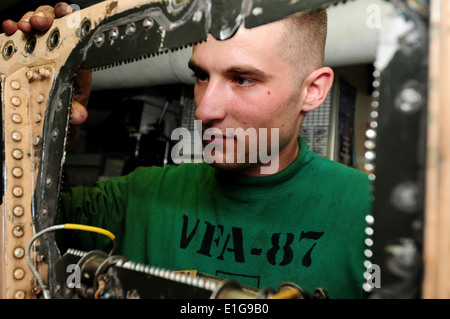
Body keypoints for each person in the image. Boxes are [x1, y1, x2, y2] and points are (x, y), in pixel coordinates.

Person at [2, 2, 372, 298]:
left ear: (313, 91)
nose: (204, 110)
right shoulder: (138, 195)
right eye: (201, 76)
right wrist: (38, 125)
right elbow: (19, 233)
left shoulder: (372, 215)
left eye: (242, 79)